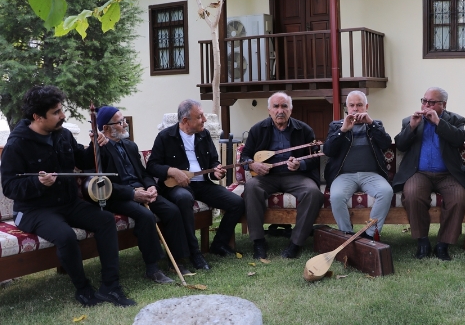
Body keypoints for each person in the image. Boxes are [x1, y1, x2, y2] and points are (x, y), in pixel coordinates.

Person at [0, 86, 135, 307]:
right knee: (65, 236)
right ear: (37, 117)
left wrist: (96, 146)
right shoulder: (17, 144)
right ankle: (83, 289)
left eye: (61, 110)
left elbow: (82, 161)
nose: (63, 116)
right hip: (34, 209)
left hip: (68, 202)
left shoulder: (62, 135)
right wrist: (37, 182)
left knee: (105, 220)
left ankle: (111, 286)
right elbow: (9, 187)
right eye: (56, 112)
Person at [86, 106, 192, 283]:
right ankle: (153, 268)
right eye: (120, 122)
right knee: (145, 216)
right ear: (105, 128)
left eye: (125, 120)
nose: (125, 125)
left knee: (172, 211)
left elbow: (143, 174)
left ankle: (177, 262)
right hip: (117, 196)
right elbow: (102, 182)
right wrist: (132, 193)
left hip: (142, 191)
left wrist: (151, 187)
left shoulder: (130, 145)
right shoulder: (99, 150)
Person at [146, 100, 245, 268]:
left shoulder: (203, 135)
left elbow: (214, 160)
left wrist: (216, 170)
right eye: (199, 117)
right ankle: (195, 253)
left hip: (202, 184)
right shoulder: (166, 137)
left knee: (237, 203)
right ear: (185, 121)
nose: (204, 119)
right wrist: (172, 171)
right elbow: (152, 166)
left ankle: (219, 244)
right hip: (177, 186)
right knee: (184, 199)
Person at [241, 92, 323, 259]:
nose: (280, 110)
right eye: (276, 106)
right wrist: (253, 164)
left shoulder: (304, 130)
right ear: (269, 110)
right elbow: (245, 156)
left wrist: (301, 164)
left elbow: (314, 158)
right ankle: (258, 242)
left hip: (296, 176)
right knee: (251, 187)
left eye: (284, 106)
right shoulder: (258, 129)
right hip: (267, 177)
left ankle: (296, 243)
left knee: (313, 192)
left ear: (290, 110)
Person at [392, 87, 465, 261]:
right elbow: (400, 145)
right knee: (412, 195)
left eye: (432, 102)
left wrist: (438, 123)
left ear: (443, 104)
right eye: (424, 101)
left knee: (458, 198)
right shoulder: (410, 120)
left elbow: (459, 139)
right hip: (419, 173)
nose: (426, 105)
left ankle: (443, 244)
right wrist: (411, 127)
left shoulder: (456, 120)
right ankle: (422, 241)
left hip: (448, 174)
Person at [323, 90, 393, 240]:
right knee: (336, 197)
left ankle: (370, 235)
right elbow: (328, 150)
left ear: (366, 107)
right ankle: (347, 235)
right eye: (352, 105)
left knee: (386, 192)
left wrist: (371, 123)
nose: (355, 109)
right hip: (344, 175)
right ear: (346, 108)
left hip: (371, 175)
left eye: (359, 105)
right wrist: (343, 130)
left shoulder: (375, 124)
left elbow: (386, 143)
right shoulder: (336, 126)